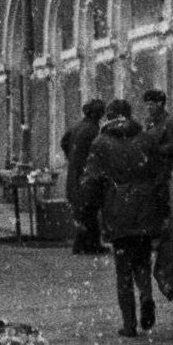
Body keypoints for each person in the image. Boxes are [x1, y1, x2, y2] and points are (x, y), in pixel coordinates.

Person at [81, 101, 166, 335]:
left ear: (108, 116)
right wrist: (161, 210)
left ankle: (129, 324)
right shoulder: (146, 140)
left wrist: (90, 210)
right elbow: (160, 176)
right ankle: (147, 296)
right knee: (142, 260)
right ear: (129, 115)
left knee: (123, 267)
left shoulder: (100, 143)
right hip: (145, 208)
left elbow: (92, 181)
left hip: (117, 209)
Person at [138, 88, 173, 301]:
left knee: (162, 221)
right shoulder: (149, 123)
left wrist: (153, 149)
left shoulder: (170, 122)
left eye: (152, 103)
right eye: (146, 103)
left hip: (161, 178)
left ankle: (167, 269)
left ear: (161, 104)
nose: (148, 106)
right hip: (148, 177)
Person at [61, 98, 111, 254]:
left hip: (75, 174)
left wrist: (72, 157)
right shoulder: (94, 130)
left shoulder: (77, 126)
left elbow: (64, 142)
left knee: (84, 212)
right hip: (87, 175)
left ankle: (83, 245)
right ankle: (89, 245)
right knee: (90, 211)